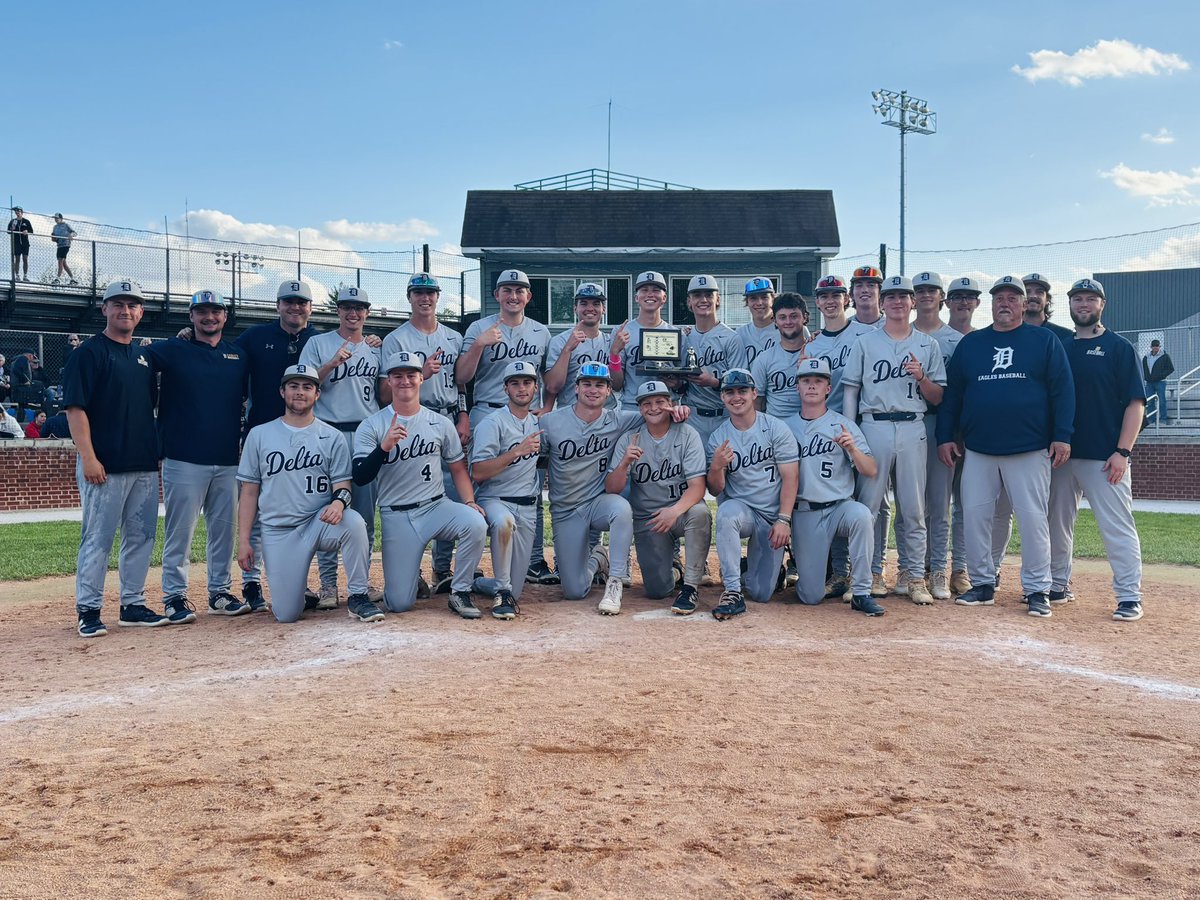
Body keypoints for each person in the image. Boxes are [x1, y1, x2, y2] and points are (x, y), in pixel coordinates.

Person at [937, 275, 1075, 618]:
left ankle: (1037, 588)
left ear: (1024, 303)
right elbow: (953, 396)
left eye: (1013, 298)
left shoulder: (1043, 340)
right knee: (976, 517)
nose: (1006, 303)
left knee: (1032, 520)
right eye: (1000, 297)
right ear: (991, 303)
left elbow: (1063, 390)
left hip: (1029, 448)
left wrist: (1062, 434)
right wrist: (945, 436)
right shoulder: (973, 344)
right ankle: (982, 583)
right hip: (980, 449)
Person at [64, 280, 166, 637]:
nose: (125, 310)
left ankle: (132, 604)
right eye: (118, 304)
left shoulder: (142, 356)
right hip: (103, 467)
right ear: (104, 309)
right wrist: (88, 457)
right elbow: (75, 410)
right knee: (98, 538)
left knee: (141, 537)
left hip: (141, 463)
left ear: (141, 312)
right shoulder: (89, 352)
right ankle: (88, 609)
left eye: (133, 305)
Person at [237, 365, 376, 624]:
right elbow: (249, 493)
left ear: (317, 394)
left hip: (318, 523)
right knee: (286, 614)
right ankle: (300, 594)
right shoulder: (259, 435)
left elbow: (343, 486)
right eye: (294, 386)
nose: (300, 392)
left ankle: (358, 595)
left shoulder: (332, 436)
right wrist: (244, 541)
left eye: (307, 387)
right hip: (279, 530)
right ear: (282, 391)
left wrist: (338, 502)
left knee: (354, 522)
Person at [143, 290, 250, 623]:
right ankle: (174, 596)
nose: (209, 317)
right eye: (201, 312)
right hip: (183, 458)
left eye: (215, 311)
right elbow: (134, 360)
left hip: (227, 458)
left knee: (224, 532)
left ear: (225, 316)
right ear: (190, 316)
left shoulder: (238, 354)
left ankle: (219, 591)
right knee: (180, 532)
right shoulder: (172, 349)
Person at [355, 352, 488, 619]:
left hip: (436, 506)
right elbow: (360, 476)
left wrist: (469, 502)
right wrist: (383, 448)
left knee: (475, 522)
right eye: (398, 376)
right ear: (389, 381)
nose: (405, 381)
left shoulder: (439, 422)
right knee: (400, 603)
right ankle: (407, 577)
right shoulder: (373, 424)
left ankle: (460, 591)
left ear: (421, 379)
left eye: (411, 375)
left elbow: (458, 468)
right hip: (397, 515)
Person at [842, 275, 946, 604]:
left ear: (913, 302)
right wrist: (850, 434)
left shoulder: (928, 345)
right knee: (868, 506)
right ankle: (867, 574)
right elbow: (851, 390)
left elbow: (938, 397)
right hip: (873, 425)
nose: (898, 302)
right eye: (891, 297)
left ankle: (914, 576)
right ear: (882, 303)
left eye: (904, 296)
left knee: (914, 507)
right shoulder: (866, 342)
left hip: (913, 424)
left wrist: (922, 377)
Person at [1048, 279, 1147, 621]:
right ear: (1070, 304)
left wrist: (1123, 451)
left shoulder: (1119, 347)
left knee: (1117, 526)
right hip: (1063, 455)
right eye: (1078, 299)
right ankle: (1057, 584)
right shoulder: (1060, 346)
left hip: (1106, 456)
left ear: (1102, 304)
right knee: (1057, 524)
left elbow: (1136, 404)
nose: (1084, 304)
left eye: (1091, 298)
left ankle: (1129, 596)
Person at [541, 362, 676, 613]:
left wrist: (678, 410)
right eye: (587, 384)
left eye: (600, 385)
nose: (593, 390)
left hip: (598, 503)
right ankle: (598, 559)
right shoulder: (550, 423)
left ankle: (615, 580)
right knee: (574, 591)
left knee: (621, 508)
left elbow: (655, 413)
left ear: (608, 392)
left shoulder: (619, 420)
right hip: (566, 509)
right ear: (576, 388)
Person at [458, 269, 555, 585]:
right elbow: (461, 378)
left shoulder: (541, 332)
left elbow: (548, 378)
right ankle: (469, 566)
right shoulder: (478, 328)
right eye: (506, 290)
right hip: (487, 412)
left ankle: (534, 560)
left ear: (528, 296)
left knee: (529, 488)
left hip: (526, 417)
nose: (513, 296)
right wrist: (478, 346)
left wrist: (548, 405)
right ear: (496, 295)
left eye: (519, 290)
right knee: (477, 489)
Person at [233, 280, 321, 610]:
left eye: (301, 302)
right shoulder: (255, 336)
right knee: (255, 509)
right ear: (278, 305)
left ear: (310, 308)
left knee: (302, 510)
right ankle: (251, 583)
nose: (295, 307)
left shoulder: (319, 339)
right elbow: (222, 355)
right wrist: (188, 336)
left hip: (305, 438)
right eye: (289, 302)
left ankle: (300, 582)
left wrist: (369, 338)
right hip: (262, 433)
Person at [381, 273, 468, 598]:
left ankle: (442, 569)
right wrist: (423, 374)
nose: (425, 298)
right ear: (409, 297)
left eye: (430, 293)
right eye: (418, 293)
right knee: (410, 498)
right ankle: (411, 570)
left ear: (437, 297)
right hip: (410, 419)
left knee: (448, 494)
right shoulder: (396, 339)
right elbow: (383, 393)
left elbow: (461, 385)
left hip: (445, 416)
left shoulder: (453, 337)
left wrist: (462, 414)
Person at [299, 285, 384, 608]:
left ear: (367, 312)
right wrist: (332, 363)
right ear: (338, 310)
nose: (353, 313)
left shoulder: (376, 348)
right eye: (347, 307)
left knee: (364, 514)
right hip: (328, 433)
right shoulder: (318, 343)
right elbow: (304, 386)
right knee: (327, 510)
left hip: (365, 433)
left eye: (359, 308)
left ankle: (361, 581)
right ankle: (328, 585)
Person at [784, 358, 882, 615]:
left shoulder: (843, 425)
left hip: (840, 507)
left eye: (819, 381)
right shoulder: (784, 427)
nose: (812, 386)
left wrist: (851, 448)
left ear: (828, 388)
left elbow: (870, 469)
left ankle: (861, 591)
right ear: (798, 387)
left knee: (861, 515)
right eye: (806, 381)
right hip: (804, 512)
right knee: (810, 596)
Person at [606, 380, 712, 614]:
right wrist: (624, 464)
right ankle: (674, 572)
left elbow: (697, 487)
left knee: (700, 512)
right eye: (647, 403)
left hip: (680, 511)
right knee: (656, 591)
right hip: (649, 518)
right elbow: (612, 489)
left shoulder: (687, 434)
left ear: (670, 405)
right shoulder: (630, 439)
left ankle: (690, 586)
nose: (653, 407)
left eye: (660, 402)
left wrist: (674, 511)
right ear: (640, 409)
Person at [706, 369, 799, 619]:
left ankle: (752, 570)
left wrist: (783, 520)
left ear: (754, 393)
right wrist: (716, 466)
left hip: (772, 518)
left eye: (742, 391)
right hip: (743, 512)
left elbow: (791, 478)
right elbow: (715, 489)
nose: (736, 397)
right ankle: (733, 591)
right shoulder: (718, 437)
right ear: (722, 398)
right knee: (726, 513)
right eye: (729, 392)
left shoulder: (775, 428)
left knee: (761, 593)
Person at [469, 361, 543, 620]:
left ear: (536, 387)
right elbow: (478, 472)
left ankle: (479, 583)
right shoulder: (492, 422)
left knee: (517, 588)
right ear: (505, 388)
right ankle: (501, 590)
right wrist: (516, 452)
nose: (521, 388)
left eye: (527, 382)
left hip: (527, 505)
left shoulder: (537, 422)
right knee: (503, 522)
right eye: (515, 383)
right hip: (495, 500)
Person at [911, 271, 969, 600]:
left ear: (941, 297)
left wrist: (954, 430)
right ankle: (913, 568)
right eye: (920, 290)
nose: (926, 295)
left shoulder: (955, 341)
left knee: (941, 504)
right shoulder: (895, 334)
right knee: (910, 505)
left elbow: (958, 392)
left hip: (942, 423)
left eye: (933, 290)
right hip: (906, 422)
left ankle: (944, 570)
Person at [672, 274, 747, 452]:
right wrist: (676, 384)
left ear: (718, 299)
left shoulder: (731, 338)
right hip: (693, 416)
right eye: (697, 295)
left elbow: (741, 384)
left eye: (708, 294)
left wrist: (713, 382)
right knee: (694, 473)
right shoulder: (684, 337)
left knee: (725, 472)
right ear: (689, 301)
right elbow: (682, 385)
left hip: (725, 416)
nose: (703, 300)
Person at [942, 277, 982, 596]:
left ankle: (961, 568)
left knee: (967, 504)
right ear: (947, 302)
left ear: (977, 303)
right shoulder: (935, 338)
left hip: (974, 431)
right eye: (957, 297)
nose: (963, 303)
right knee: (936, 504)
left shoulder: (985, 341)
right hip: (941, 429)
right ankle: (933, 567)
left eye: (969, 297)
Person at [609, 271, 680, 410]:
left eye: (656, 290)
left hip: (666, 405)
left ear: (664, 297)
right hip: (633, 406)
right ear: (636, 297)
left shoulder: (676, 333)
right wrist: (614, 353)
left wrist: (676, 383)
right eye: (644, 290)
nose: (650, 294)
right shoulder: (622, 331)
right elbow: (616, 386)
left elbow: (682, 384)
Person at [544, 282, 613, 409]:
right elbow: (552, 387)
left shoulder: (610, 342)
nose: (590, 308)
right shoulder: (560, 341)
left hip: (605, 415)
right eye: (584, 303)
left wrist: (616, 354)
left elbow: (618, 385)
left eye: (596, 303)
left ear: (604, 309)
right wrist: (567, 350)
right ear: (575, 308)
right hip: (569, 414)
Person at [751, 292, 815, 420]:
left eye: (794, 316)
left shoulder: (816, 354)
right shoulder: (764, 359)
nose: (788, 322)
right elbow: (757, 403)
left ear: (805, 317)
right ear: (774, 321)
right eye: (782, 317)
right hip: (776, 428)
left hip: (811, 425)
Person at [738, 277, 788, 368]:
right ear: (747, 302)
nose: (759, 303)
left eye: (764, 297)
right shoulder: (740, 334)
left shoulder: (790, 329)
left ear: (773, 300)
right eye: (753, 298)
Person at [1022, 273, 1074, 343]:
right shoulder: (1007, 332)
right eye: (1027, 292)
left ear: (1047, 299)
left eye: (1039, 292)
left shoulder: (1065, 335)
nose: (1033, 296)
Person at [1142, 339, 1175, 425]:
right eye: (1155, 347)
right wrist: (1146, 377)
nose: (1156, 348)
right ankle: (1151, 419)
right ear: (1151, 347)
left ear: (1159, 347)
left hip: (1160, 382)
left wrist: (1161, 375)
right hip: (1149, 383)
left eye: (1158, 346)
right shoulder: (1146, 357)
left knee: (1162, 400)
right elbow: (1143, 369)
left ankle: (1163, 419)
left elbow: (1171, 369)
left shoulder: (1165, 356)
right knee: (1150, 401)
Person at [50, 213, 78, 285]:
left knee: (60, 261)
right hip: (59, 246)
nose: (56, 219)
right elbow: (54, 238)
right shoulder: (55, 227)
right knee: (64, 263)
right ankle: (72, 279)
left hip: (66, 245)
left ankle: (57, 279)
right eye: (55, 218)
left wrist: (71, 235)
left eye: (57, 218)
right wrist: (53, 238)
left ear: (61, 218)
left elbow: (74, 233)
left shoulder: (66, 225)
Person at [8, 206, 33, 281]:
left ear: (22, 212)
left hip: (25, 243)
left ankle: (25, 276)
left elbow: (31, 230)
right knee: (17, 259)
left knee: (25, 259)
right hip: (17, 243)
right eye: (16, 211)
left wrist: (27, 231)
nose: (17, 213)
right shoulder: (13, 221)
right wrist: (12, 229)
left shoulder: (26, 221)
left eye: (18, 211)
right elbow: (8, 231)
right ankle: (17, 275)